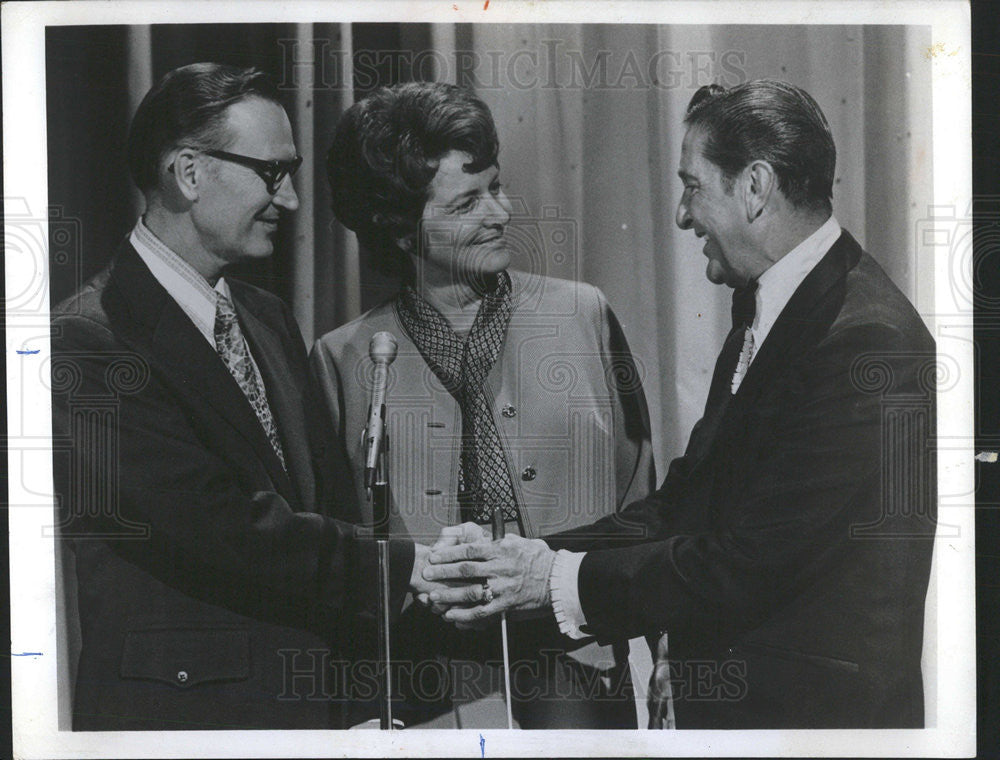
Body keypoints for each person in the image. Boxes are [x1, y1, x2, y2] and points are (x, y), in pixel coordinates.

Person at [423, 79, 938, 729]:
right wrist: (524, 558)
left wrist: (554, 581)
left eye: (693, 185)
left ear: (754, 188)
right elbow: (686, 506)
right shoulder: (773, 305)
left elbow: (748, 565)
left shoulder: (868, 341)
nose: (681, 215)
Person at [49, 62, 449, 731]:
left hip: (311, 712)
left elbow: (322, 506)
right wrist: (400, 566)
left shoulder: (264, 316)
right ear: (188, 173)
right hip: (183, 722)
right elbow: (214, 523)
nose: (289, 199)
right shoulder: (88, 341)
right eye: (272, 172)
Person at [310, 81, 656, 728]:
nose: (500, 212)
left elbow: (643, 497)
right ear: (399, 227)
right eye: (469, 200)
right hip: (425, 683)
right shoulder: (344, 358)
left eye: (496, 187)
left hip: (575, 665)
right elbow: (339, 544)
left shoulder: (582, 314)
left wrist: (662, 648)